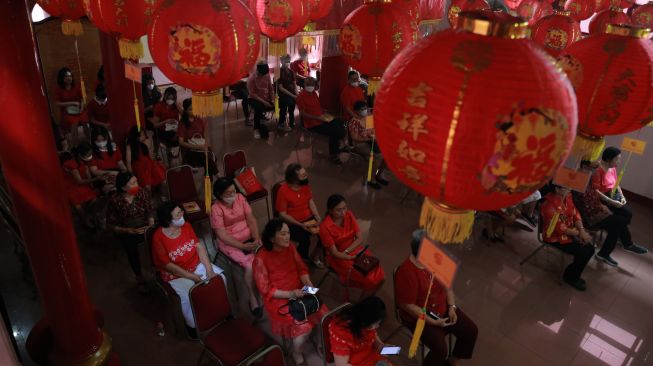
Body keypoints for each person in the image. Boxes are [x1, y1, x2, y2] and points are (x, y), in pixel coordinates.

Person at [395, 230, 478, 366]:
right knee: (440, 350)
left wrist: (451, 307)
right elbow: (408, 306)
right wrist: (433, 322)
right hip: (420, 317)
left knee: (471, 331)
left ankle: (453, 360)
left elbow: (448, 286)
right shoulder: (407, 272)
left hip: (442, 308)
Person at [253, 219, 328, 365]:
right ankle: (296, 351)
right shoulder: (260, 259)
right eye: (283, 234)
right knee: (304, 328)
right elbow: (266, 290)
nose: (288, 237)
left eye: (288, 233)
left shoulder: (290, 247)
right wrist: (290, 294)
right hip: (279, 297)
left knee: (324, 313)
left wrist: (307, 281)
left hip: (298, 287)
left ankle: (320, 342)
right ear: (271, 238)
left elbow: (301, 268)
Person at [152, 202, 225, 334]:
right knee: (188, 294)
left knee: (219, 279)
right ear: (168, 219)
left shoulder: (186, 226)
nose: (182, 215)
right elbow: (167, 265)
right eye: (178, 214)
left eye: (181, 212)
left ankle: (220, 312)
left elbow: (198, 246)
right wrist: (191, 276)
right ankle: (193, 327)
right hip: (176, 273)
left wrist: (209, 270)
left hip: (195, 264)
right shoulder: (158, 237)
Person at [575, 147, 648, 267]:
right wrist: (609, 203)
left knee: (622, 220)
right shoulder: (584, 180)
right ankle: (625, 244)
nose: (592, 169)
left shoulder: (589, 179)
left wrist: (619, 197)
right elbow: (586, 203)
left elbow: (603, 192)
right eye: (589, 167)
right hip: (591, 212)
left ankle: (614, 248)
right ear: (583, 167)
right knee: (620, 222)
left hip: (598, 207)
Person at [211, 177, 262, 318]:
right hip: (230, 243)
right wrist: (242, 246)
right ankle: (252, 298)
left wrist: (256, 237)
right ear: (219, 194)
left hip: (249, 238)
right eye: (228, 193)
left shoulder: (240, 198)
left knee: (264, 256)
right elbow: (221, 235)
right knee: (250, 266)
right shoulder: (216, 209)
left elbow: (251, 219)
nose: (233, 195)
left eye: (234, 191)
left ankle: (266, 287)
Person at [320, 194, 385, 300]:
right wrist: (348, 256)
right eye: (339, 210)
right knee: (370, 280)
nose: (343, 212)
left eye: (345, 208)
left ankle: (366, 299)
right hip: (339, 258)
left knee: (381, 276)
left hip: (354, 251)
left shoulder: (349, 215)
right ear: (330, 211)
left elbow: (359, 238)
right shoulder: (325, 227)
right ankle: (361, 305)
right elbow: (334, 253)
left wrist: (348, 251)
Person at [106, 172, 154, 292]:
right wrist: (127, 230)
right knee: (131, 250)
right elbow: (111, 224)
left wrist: (150, 223)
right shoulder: (115, 200)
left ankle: (160, 271)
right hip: (128, 230)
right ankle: (139, 278)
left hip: (145, 227)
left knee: (157, 242)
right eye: (133, 183)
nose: (137, 185)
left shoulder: (142, 193)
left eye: (136, 181)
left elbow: (150, 211)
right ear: (123, 187)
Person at [541, 185, 595, 291]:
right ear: (557, 189)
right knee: (583, 252)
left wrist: (582, 230)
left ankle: (572, 272)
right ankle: (571, 277)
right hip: (554, 237)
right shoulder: (549, 205)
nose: (570, 189)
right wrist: (579, 234)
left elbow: (575, 214)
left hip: (571, 231)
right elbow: (560, 229)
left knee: (590, 249)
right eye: (566, 187)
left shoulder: (567, 196)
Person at [276, 163, 322, 263]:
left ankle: (316, 256)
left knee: (325, 234)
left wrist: (316, 215)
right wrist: (300, 224)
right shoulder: (283, 191)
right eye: (303, 175)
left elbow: (310, 201)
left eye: (305, 173)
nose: (306, 176)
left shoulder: (305, 185)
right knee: (305, 240)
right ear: (294, 180)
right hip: (293, 222)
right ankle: (302, 260)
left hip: (308, 218)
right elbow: (282, 214)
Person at [296, 77, 348, 164]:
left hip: (322, 117)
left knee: (338, 121)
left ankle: (338, 143)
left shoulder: (314, 94)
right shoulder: (300, 97)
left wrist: (323, 111)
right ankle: (334, 154)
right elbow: (303, 113)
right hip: (312, 123)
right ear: (304, 85)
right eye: (308, 84)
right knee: (333, 131)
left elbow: (316, 107)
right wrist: (317, 118)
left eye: (312, 85)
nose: (310, 86)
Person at [329, 296, 393, 366]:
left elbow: (374, 339)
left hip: (370, 357)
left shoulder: (365, 323)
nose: (378, 326)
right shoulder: (342, 333)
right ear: (366, 321)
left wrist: (381, 346)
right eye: (376, 323)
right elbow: (341, 364)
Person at [348, 101, 388, 189]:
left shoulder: (368, 118)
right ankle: (371, 179)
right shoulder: (354, 122)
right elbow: (354, 138)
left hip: (370, 141)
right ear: (356, 111)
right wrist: (368, 139)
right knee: (378, 156)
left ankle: (379, 175)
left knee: (386, 155)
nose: (365, 110)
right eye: (362, 109)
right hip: (360, 144)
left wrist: (374, 136)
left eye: (365, 108)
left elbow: (372, 131)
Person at [61, 145, 100, 229]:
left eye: (91, 154)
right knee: (77, 203)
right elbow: (78, 181)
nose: (90, 156)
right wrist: (95, 179)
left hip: (83, 182)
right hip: (70, 185)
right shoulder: (72, 164)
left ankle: (91, 215)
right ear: (80, 155)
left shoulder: (84, 161)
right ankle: (85, 219)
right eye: (88, 155)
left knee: (93, 197)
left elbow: (87, 174)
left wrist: (92, 186)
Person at [177, 98, 218, 177]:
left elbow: (205, 134)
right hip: (190, 151)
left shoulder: (199, 119)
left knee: (211, 158)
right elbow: (181, 142)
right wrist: (198, 147)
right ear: (185, 111)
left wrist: (206, 144)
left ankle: (209, 180)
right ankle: (218, 177)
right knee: (207, 159)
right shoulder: (182, 123)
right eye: (190, 109)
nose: (193, 111)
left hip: (202, 147)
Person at [125, 126, 166, 191]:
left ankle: (164, 196)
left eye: (144, 134)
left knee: (162, 177)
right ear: (136, 137)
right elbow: (128, 162)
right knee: (147, 186)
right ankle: (148, 199)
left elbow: (151, 156)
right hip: (139, 166)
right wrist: (131, 174)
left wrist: (148, 144)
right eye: (142, 135)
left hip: (149, 163)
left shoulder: (145, 142)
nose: (144, 136)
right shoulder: (130, 145)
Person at [88, 126, 127, 193]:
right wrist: (110, 173)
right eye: (98, 140)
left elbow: (120, 163)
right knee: (112, 189)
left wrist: (125, 171)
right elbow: (94, 171)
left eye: (103, 140)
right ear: (93, 140)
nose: (101, 142)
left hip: (117, 173)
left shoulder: (114, 147)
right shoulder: (92, 152)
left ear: (107, 138)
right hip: (102, 176)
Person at [55, 67, 86, 143]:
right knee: (73, 123)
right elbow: (57, 103)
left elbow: (82, 98)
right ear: (62, 78)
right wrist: (72, 103)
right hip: (67, 112)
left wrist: (81, 107)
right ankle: (75, 145)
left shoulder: (76, 86)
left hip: (79, 109)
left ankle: (89, 141)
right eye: (66, 76)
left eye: (70, 76)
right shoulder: (58, 89)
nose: (69, 78)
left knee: (86, 121)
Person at [247, 60, 275, 139]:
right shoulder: (252, 78)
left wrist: (272, 99)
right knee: (258, 109)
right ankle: (256, 129)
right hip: (254, 98)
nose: (264, 76)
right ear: (258, 70)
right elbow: (253, 94)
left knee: (278, 103)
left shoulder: (267, 74)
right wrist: (265, 102)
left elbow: (270, 88)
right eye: (262, 74)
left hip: (265, 97)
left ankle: (281, 123)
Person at [153, 87, 181, 164]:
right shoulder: (159, 106)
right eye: (168, 98)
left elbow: (185, 116)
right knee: (176, 137)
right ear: (165, 96)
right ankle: (171, 155)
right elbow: (155, 125)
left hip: (175, 128)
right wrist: (165, 122)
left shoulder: (176, 106)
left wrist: (179, 107)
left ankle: (185, 159)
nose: (170, 100)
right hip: (163, 130)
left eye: (172, 98)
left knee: (184, 136)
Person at [277, 54, 297, 132]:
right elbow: (281, 88)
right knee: (285, 103)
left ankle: (291, 121)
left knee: (292, 104)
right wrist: (292, 95)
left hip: (291, 93)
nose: (287, 63)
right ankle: (281, 123)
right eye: (286, 61)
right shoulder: (278, 72)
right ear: (281, 62)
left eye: (288, 61)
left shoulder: (291, 71)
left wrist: (296, 94)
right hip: (282, 94)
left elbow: (294, 84)